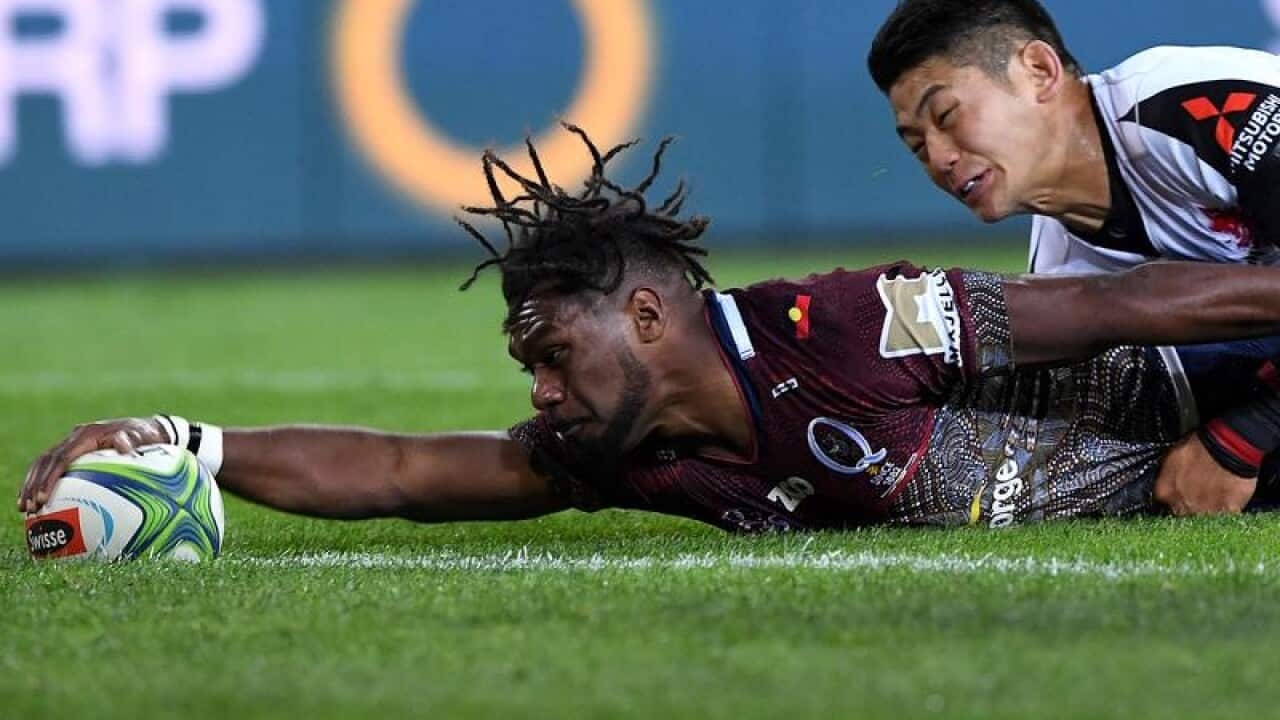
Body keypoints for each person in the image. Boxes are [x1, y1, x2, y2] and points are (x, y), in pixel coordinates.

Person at [17, 128, 1280, 532]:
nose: (541, 391)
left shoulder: (834, 324)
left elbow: (1123, 305)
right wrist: (191, 444)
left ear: (642, 312)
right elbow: (402, 469)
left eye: (551, 354)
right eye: (527, 367)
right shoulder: (624, 451)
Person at [867, 0, 1280, 508]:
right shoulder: (1065, 274)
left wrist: (1243, 438)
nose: (939, 157)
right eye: (916, 146)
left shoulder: (1193, 104)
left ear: (1039, 71)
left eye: (946, 115)